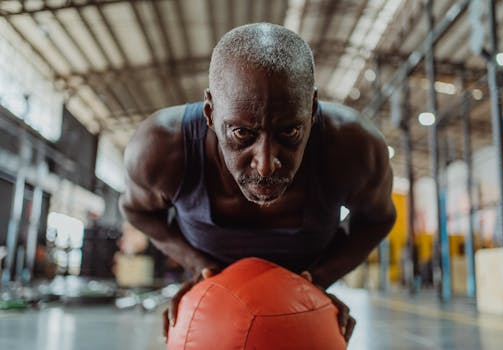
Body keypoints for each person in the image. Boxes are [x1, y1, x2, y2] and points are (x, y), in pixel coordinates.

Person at [119, 23, 396, 343]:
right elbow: (137, 211)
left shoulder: (354, 148)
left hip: (303, 309)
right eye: (242, 134)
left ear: (313, 110)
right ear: (210, 112)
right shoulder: (160, 149)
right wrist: (200, 267)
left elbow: (378, 219)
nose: (266, 164)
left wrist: (317, 280)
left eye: (290, 132)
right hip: (214, 314)